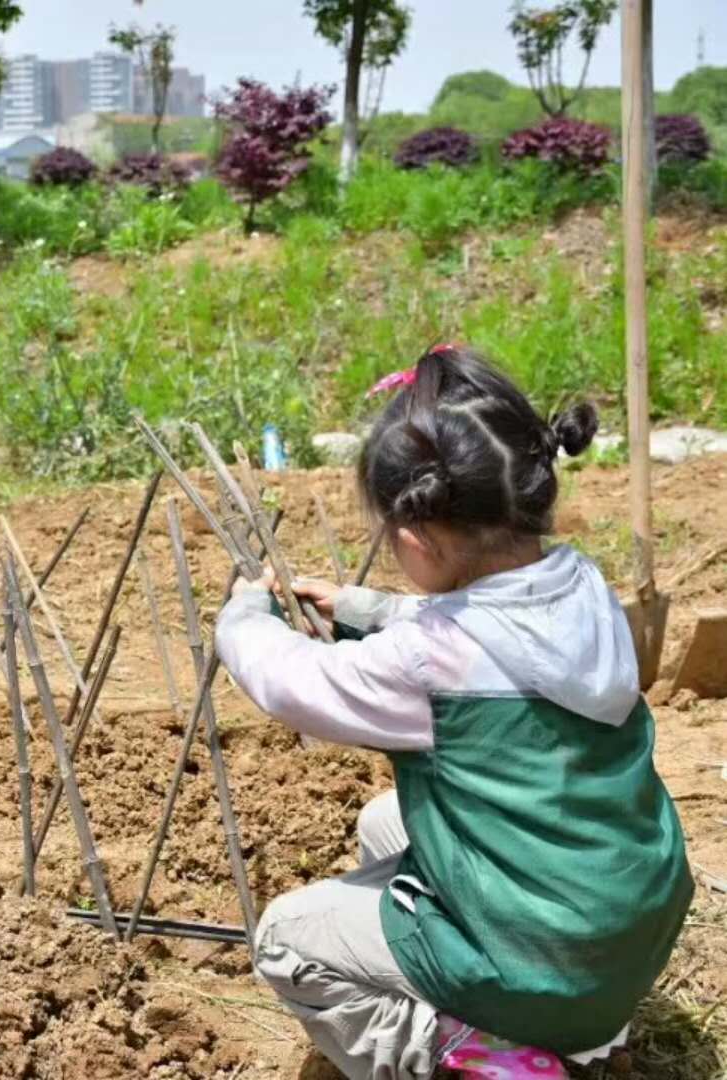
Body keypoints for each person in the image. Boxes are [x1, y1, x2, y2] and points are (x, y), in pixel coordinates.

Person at [215, 345, 693, 1079]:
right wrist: (363, 609)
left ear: (415, 537)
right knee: (384, 822)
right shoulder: (580, 585)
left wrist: (245, 619)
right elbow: (476, 634)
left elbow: (291, 684)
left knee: (285, 938)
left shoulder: (430, 665)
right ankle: (585, 1024)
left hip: (551, 959)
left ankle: (489, 1055)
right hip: (628, 915)